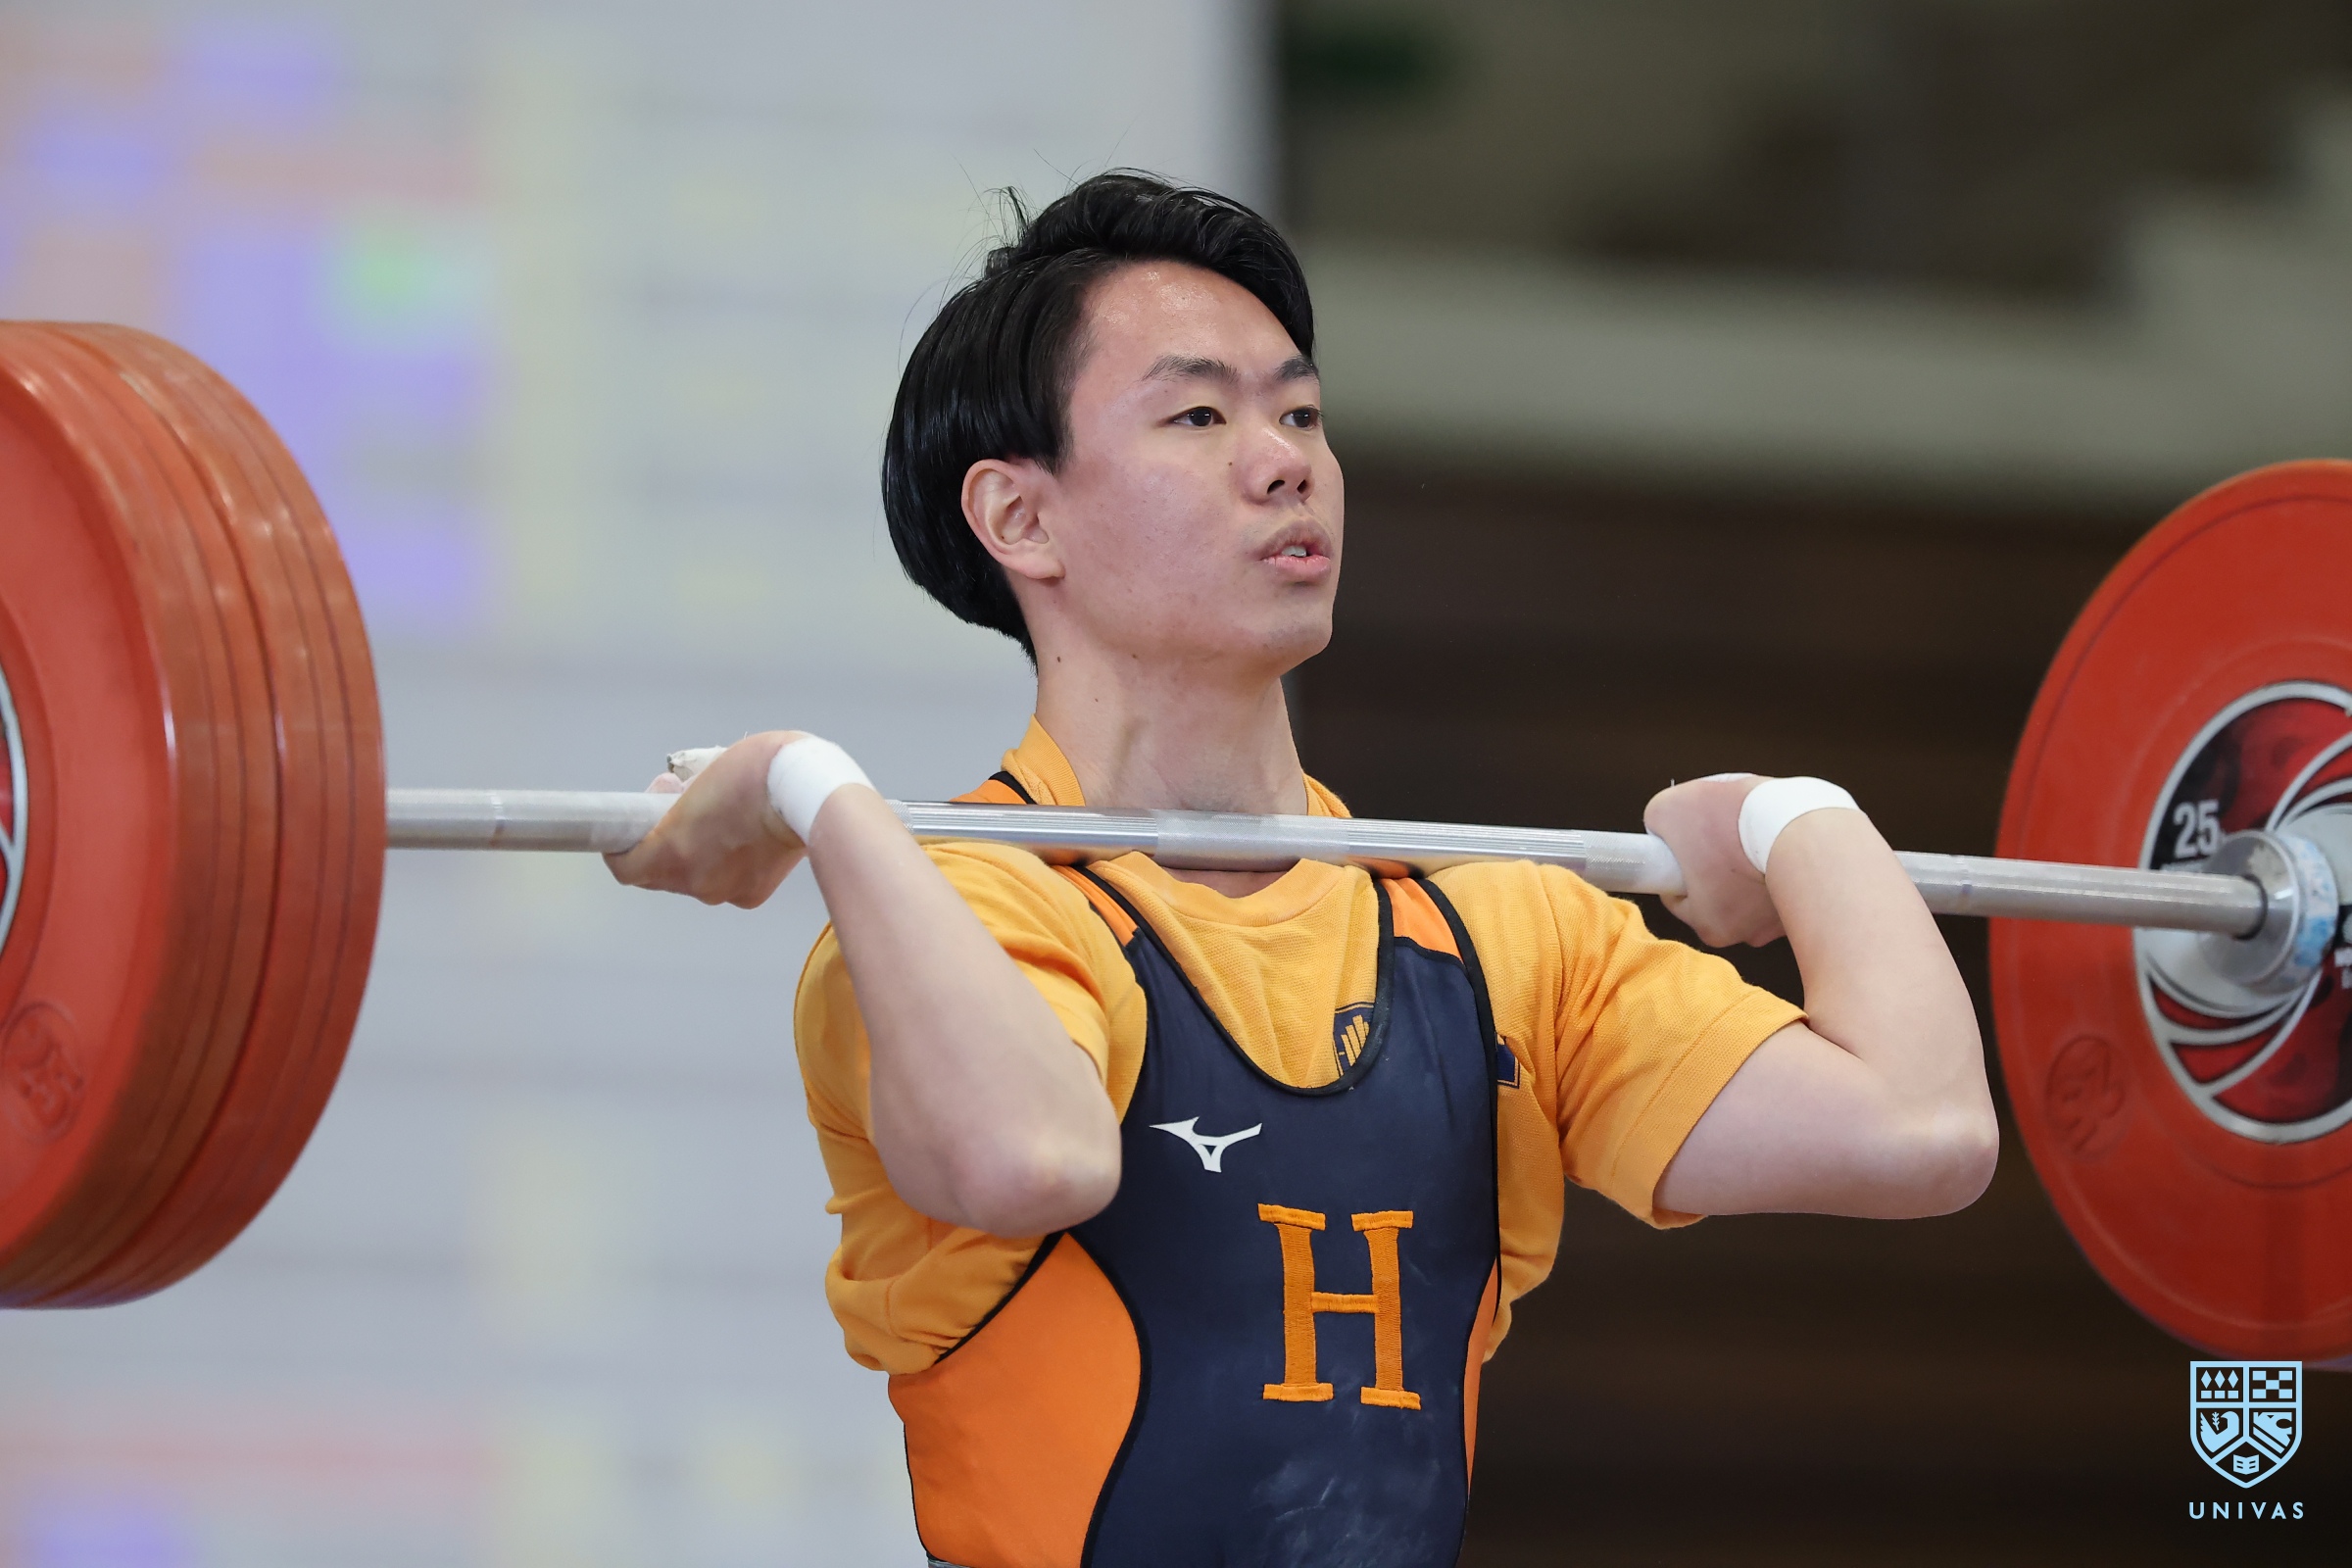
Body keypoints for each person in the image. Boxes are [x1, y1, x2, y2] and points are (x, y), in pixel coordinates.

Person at [609, 172, 1995, 1568]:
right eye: (1199, 416)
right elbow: (1028, 1158)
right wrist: (816, 789)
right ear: (1021, 520)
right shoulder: (964, 912)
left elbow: (1923, 1134)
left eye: (1301, 414)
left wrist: (1793, 818)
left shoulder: (1499, 931)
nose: (1283, 461)